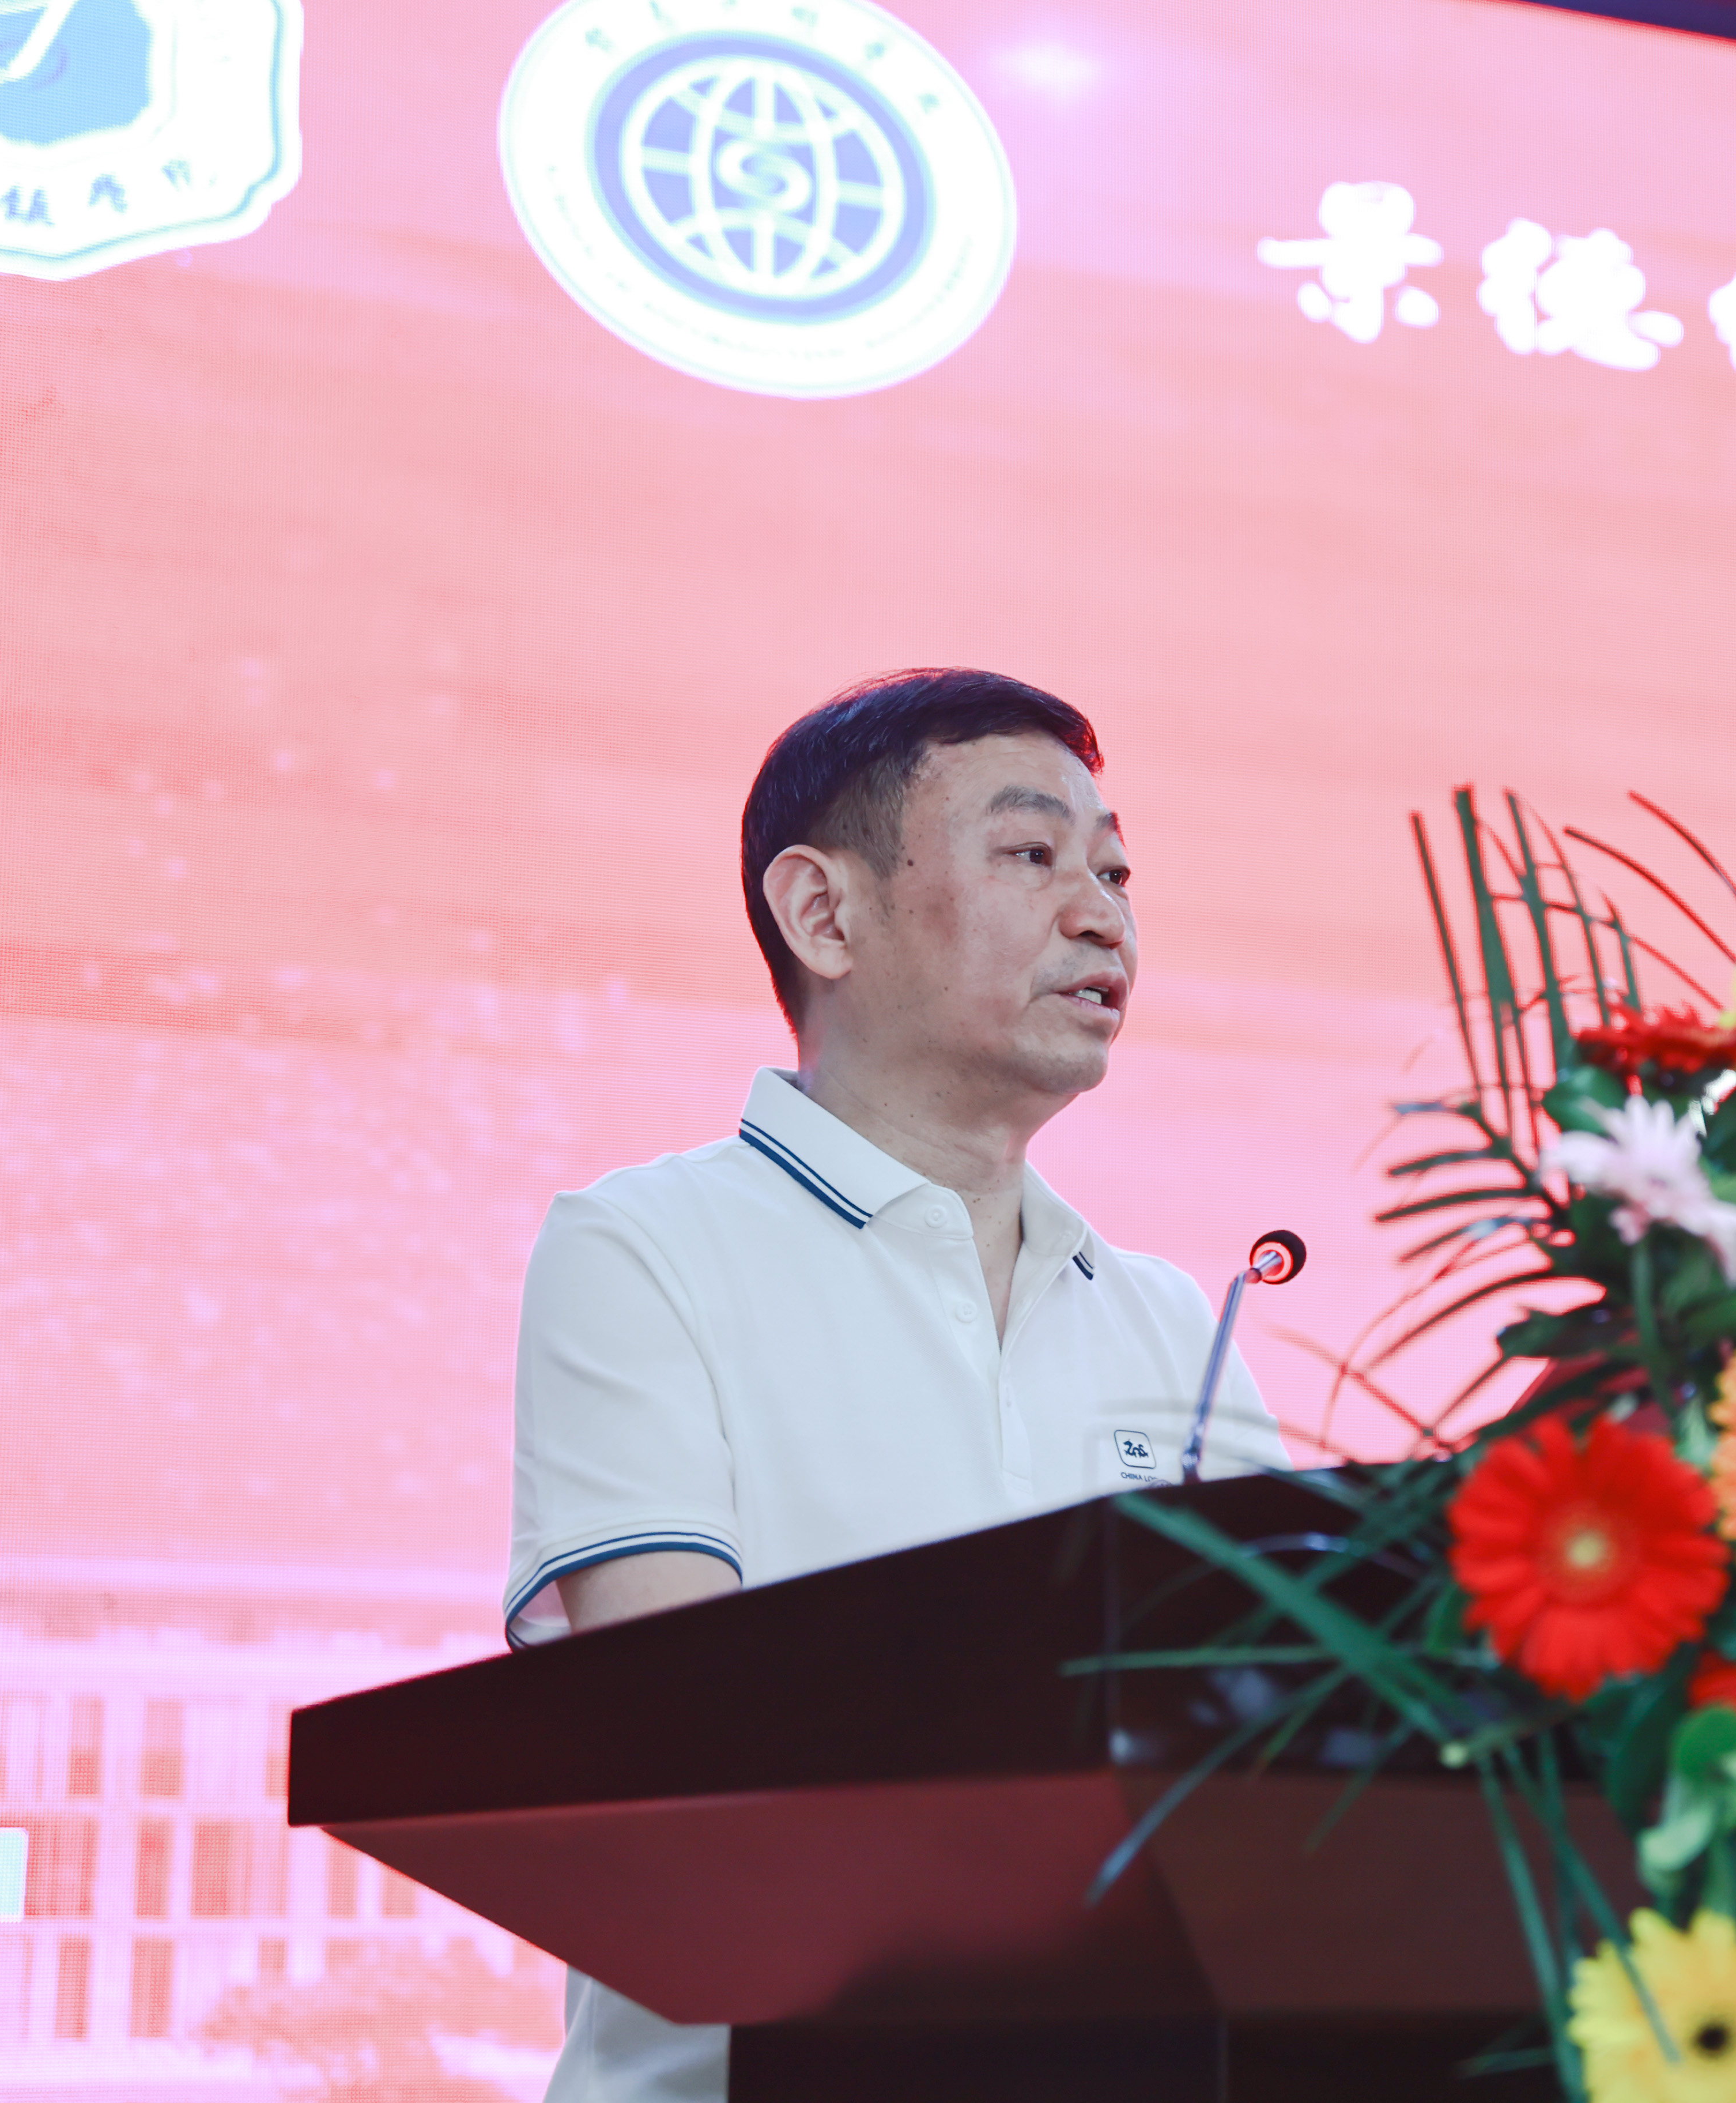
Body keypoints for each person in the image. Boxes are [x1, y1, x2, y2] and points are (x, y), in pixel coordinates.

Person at [501, 668, 1290, 2103]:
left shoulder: (1175, 1324)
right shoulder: (646, 1250)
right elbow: (684, 1731)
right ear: (824, 914)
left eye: (1117, 871)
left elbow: (1280, 1772)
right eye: (1033, 853)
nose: (1103, 915)